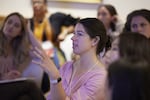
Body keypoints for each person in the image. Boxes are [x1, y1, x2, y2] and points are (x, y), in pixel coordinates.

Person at [32, 18, 108, 100]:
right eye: (74, 33)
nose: (73, 38)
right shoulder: (67, 66)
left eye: (79, 34)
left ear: (95, 40)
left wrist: (55, 77)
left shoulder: (101, 76)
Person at [0, 12, 49, 93]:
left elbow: (41, 54)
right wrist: (3, 77)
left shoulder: (17, 49)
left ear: (20, 32)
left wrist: (29, 32)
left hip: (8, 87)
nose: (11, 26)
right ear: (4, 23)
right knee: (30, 86)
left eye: (16, 25)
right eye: (9, 22)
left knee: (25, 97)